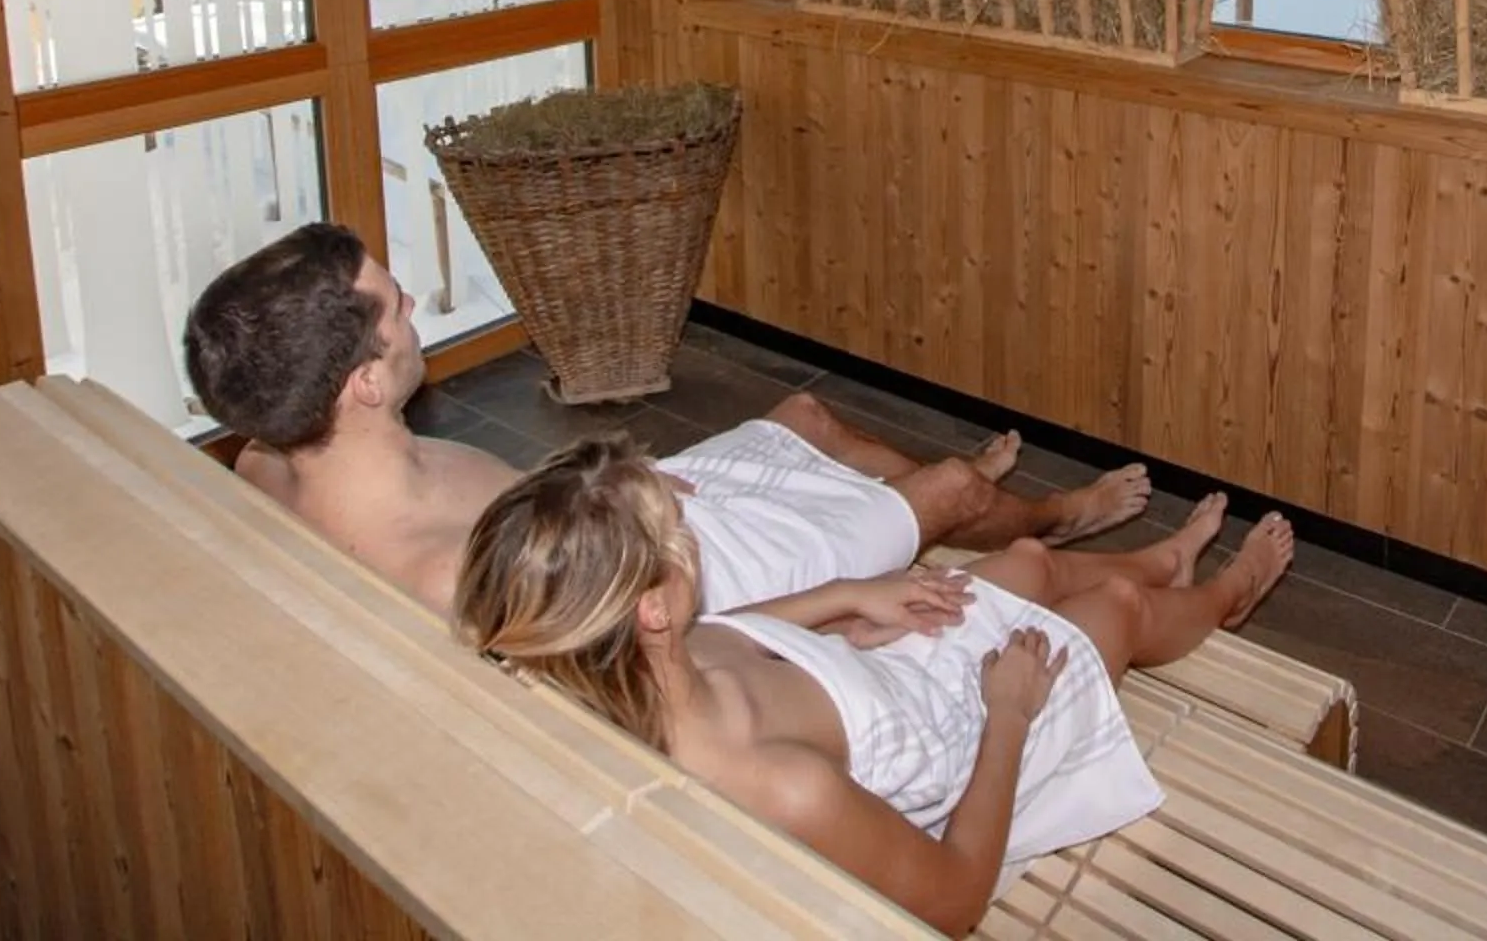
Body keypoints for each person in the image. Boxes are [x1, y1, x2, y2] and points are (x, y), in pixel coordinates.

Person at [457, 435, 1294, 935]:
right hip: (960, 744)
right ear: (650, 609)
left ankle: (1164, 559)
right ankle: (1224, 596)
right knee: (1110, 610)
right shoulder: (781, 785)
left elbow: (733, 634)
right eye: (679, 533)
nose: (692, 535)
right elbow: (953, 898)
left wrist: (848, 603)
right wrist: (1009, 711)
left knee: (1029, 563)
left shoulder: (627, 674)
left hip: (871, 682)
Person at [182, 222, 1152, 618]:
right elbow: (659, 652)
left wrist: (609, 488)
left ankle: (946, 501)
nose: (415, 311)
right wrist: (839, 606)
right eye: (395, 307)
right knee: (947, 490)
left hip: (610, 513)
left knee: (807, 411)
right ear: (358, 381)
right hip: (689, 568)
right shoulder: (453, 571)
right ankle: (1043, 515)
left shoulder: (270, 459)